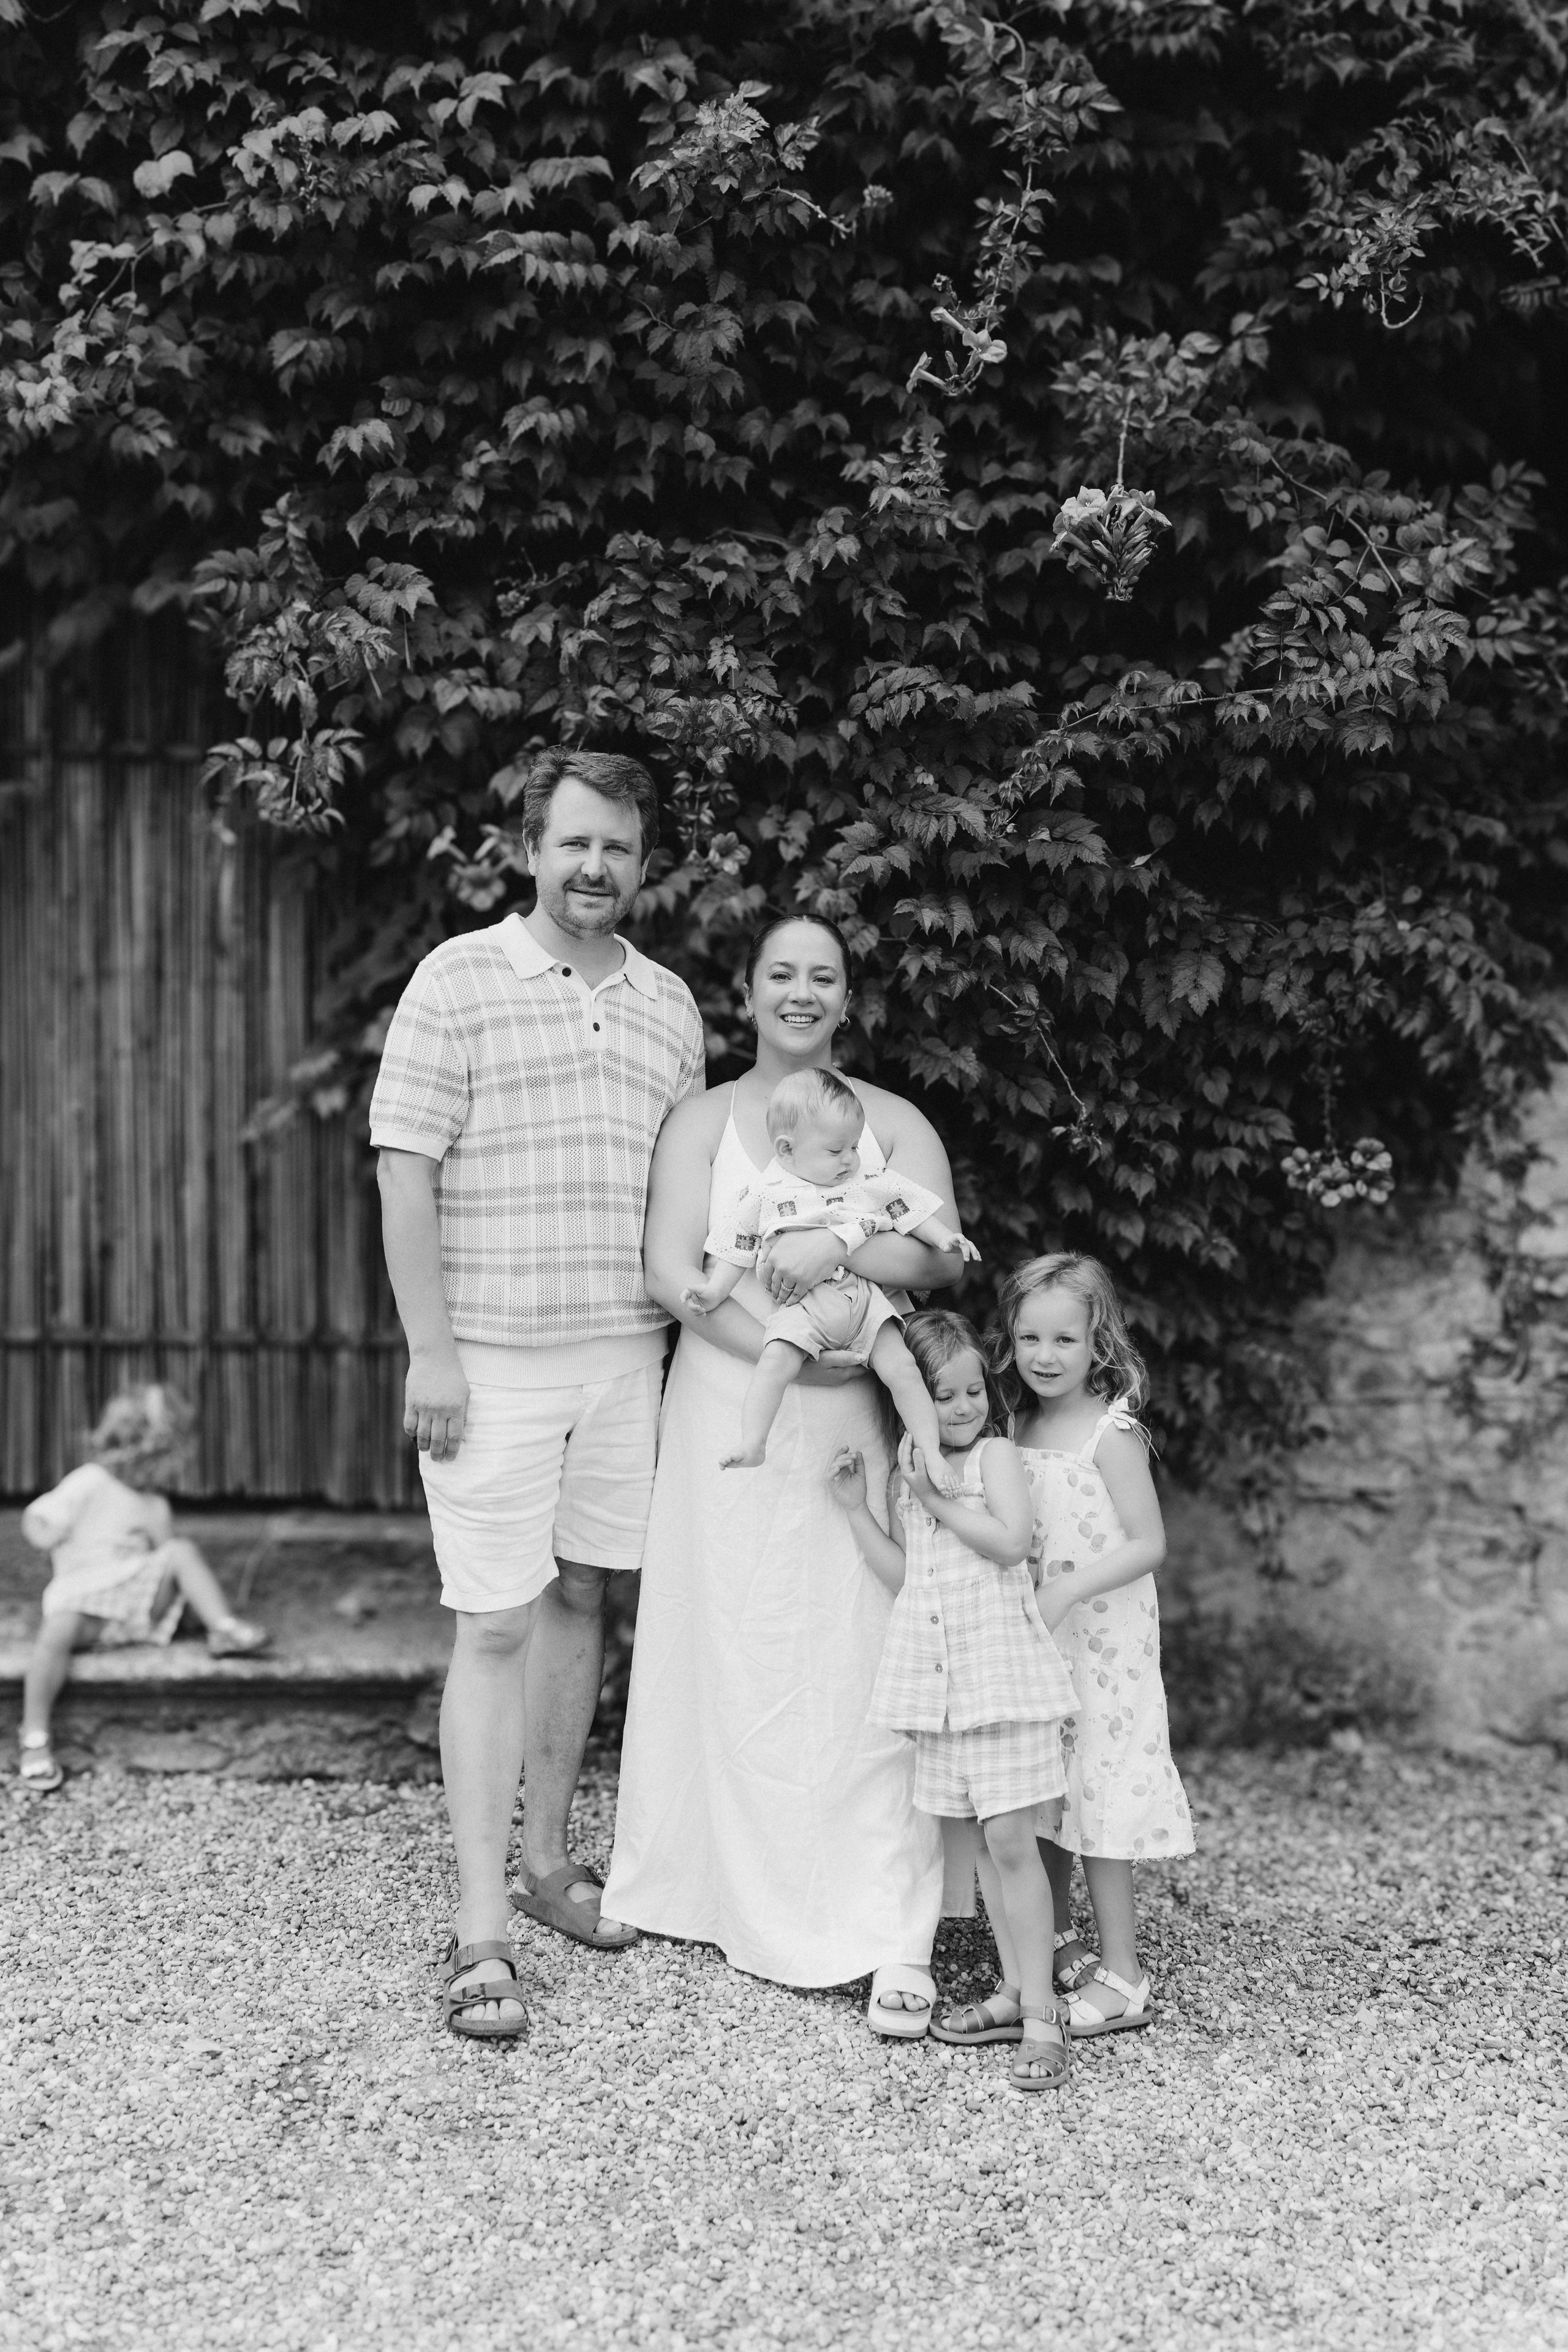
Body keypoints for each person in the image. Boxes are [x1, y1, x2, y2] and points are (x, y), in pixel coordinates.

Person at [371, 749, 706, 2040]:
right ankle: (477, 1932)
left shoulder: (671, 1006)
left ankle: (550, 1864)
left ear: (642, 860)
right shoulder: (456, 980)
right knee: (494, 1624)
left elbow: (681, 1203)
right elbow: (404, 1175)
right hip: (492, 1367)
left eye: (617, 848)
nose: (594, 868)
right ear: (530, 848)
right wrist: (431, 1353)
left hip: (626, 1360)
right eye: (573, 844)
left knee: (582, 1599)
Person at [600, 911, 963, 2031]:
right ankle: (712, 1886)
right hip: (731, 1398)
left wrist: (843, 1256)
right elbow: (670, 1268)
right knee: (736, 1636)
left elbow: (937, 1255)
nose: (801, 992)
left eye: (825, 977)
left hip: (855, 1404)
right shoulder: (703, 1121)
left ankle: (883, 1913)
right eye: (780, 975)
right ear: (747, 994)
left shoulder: (893, 1120)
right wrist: (775, 1348)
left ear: (849, 1001)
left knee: (857, 1652)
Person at [828, 1310, 1078, 2090]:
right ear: (910, 1402)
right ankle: (1012, 1990)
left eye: (975, 1390)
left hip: (999, 1678)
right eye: (945, 1395)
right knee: (981, 1849)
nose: (967, 1406)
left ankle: (1042, 2016)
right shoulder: (917, 1477)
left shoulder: (994, 1457)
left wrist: (932, 1500)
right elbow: (910, 1581)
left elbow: (1010, 1543)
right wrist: (860, 1509)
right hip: (942, 1688)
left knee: (1010, 1842)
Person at [999, 1252, 1194, 2037]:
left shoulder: (1111, 1433)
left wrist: (1070, 1588)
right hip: (1036, 1639)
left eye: (1063, 1341)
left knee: (1100, 1798)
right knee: (1044, 1789)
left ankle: (1124, 1976)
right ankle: (1052, 1939)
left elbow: (1149, 1543)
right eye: (1028, 1338)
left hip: (1101, 1643)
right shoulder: (1013, 1422)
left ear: (1096, 1342)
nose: (1044, 1357)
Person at [680, 1065, 979, 1476]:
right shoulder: (763, 1195)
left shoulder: (865, 1180)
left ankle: (930, 1451)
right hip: (804, 1307)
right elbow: (739, 1248)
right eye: (836, 1150)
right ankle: (754, 1442)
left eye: (855, 1147)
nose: (850, 1159)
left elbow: (908, 1207)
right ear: (786, 1150)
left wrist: (945, 1237)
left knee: (904, 1369)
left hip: (866, 1299)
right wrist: (714, 1291)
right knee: (774, 1366)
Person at [17, 1384, 270, 1794]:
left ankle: (223, 1627)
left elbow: (164, 1559)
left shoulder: (155, 1506)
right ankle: (35, 1736)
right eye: (171, 1458)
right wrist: (43, 1532)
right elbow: (39, 1514)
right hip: (87, 1605)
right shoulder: (91, 1481)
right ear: (145, 1450)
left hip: (135, 1607)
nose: (174, 1470)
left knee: (181, 1551)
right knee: (54, 1633)